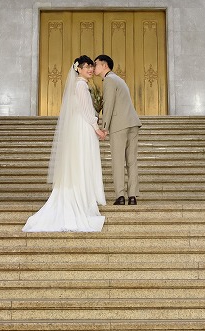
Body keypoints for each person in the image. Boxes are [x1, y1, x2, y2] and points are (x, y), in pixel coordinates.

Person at [23, 56, 106, 233]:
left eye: (91, 66)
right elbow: (86, 110)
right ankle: (81, 200)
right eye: (86, 67)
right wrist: (96, 127)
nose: (90, 69)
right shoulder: (81, 85)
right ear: (78, 69)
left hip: (78, 126)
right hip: (83, 127)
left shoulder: (78, 84)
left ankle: (81, 197)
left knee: (78, 163)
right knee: (82, 162)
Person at [94, 54, 142, 205]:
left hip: (119, 125)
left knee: (118, 161)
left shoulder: (108, 80)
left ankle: (120, 196)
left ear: (104, 65)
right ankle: (132, 196)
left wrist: (104, 127)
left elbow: (109, 104)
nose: (94, 67)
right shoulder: (119, 79)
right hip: (132, 122)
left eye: (96, 64)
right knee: (132, 161)